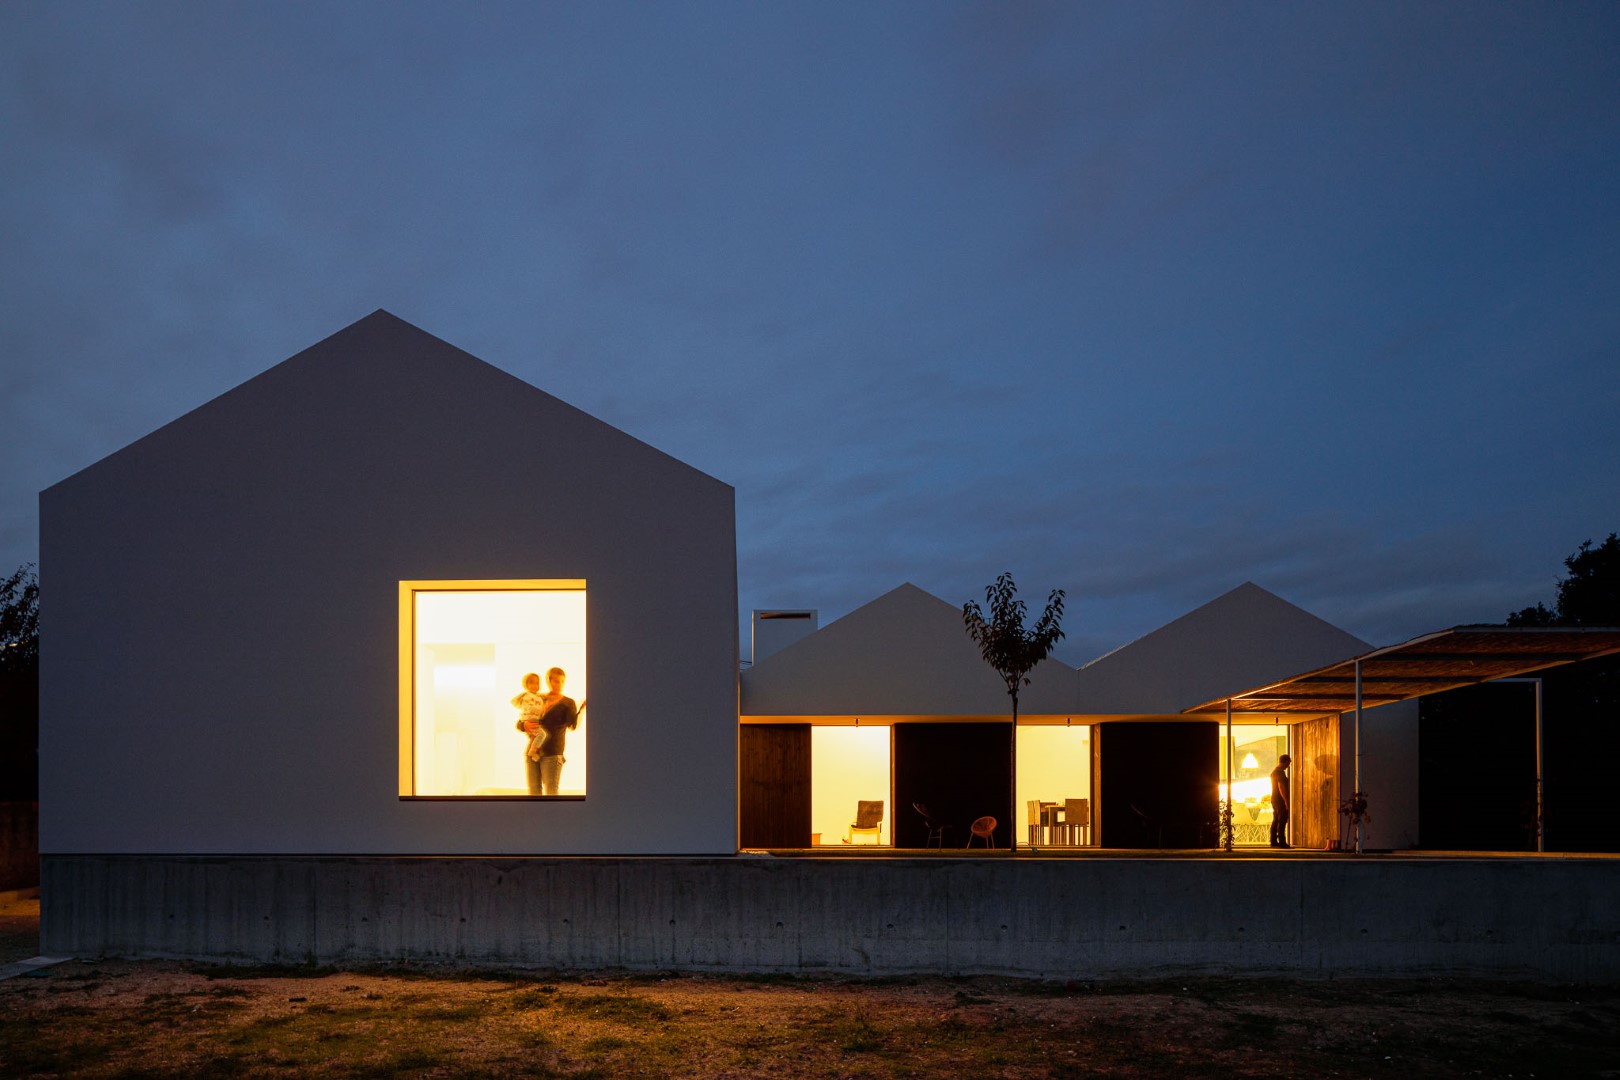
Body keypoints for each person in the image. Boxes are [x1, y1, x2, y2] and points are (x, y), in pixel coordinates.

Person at [517, 666, 579, 796]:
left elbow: (573, 726)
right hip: (532, 752)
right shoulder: (537, 698)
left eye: (562, 681)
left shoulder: (568, 702)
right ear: (548, 680)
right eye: (555, 681)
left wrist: (582, 711)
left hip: (553, 753)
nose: (559, 684)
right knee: (533, 793)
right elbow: (521, 720)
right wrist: (524, 725)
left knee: (551, 795)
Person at [510, 673, 549, 766]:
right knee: (542, 734)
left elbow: (542, 698)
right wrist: (542, 710)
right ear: (526, 685)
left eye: (537, 683)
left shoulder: (538, 696)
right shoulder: (527, 696)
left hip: (533, 720)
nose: (535, 685)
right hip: (530, 720)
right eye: (532, 683)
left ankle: (533, 751)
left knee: (536, 736)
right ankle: (532, 751)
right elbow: (530, 708)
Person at [1269, 753, 1292, 848]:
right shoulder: (1280, 773)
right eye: (1288, 763)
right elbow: (1281, 787)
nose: (1288, 766)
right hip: (1280, 800)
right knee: (1282, 820)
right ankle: (1282, 842)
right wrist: (1286, 801)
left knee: (1275, 820)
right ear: (1285, 761)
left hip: (1274, 799)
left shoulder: (1274, 772)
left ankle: (1273, 841)